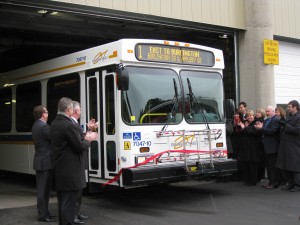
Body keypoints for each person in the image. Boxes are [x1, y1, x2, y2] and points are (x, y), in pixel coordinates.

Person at [50, 97, 97, 225]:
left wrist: (87, 133)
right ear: (70, 109)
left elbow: (72, 142)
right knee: (69, 206)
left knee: (63, 204)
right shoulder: (68, 125)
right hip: (71, 173)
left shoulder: (54, 123)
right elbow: (80, 147)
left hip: (61, 171)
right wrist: (89, 138)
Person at [31, 105, 56, 222]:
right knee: (43, 190)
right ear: (42, 114)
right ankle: (42, 215)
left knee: (44, 190)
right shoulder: (43, 126)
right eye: (46, 112)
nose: (48, 113)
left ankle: (45, 212)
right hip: (44, 162)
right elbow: (54, 137)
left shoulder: (36, 125)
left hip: (41, 161)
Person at [70, 101, 91, 224]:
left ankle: (76, 213)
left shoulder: (74, 123)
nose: (81, 111)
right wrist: (89, 138)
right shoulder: (71, 124)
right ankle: (73, 215)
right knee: (76, 190)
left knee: (79, 189)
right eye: (80, 110)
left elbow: (79, 139)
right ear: (76, 111)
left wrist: (88, 130)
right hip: (76, 161)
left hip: (79, 161)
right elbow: (79, 144)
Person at [276, 100, 300, 192]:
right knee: (287, 166)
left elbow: (298, 130)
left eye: (289, 107)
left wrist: (286, 126)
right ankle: (290, 183)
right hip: (286, 145)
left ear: (295, 107)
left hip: (294, 146)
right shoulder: (290, 117)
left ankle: (297, 185)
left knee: (295, 166)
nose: (288, 108)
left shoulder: (299, 117)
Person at [255, 105, 281, 189]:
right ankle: (270, 182)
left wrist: (261, 128)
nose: (266, 113)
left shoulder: (276, 120)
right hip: (266, 147)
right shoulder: (266, 120)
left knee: (273, 167)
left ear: (273, 111)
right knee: (269, 167)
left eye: (268, 111)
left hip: (273, 147)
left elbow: (272, 131)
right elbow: (264, 130)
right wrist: (260, 127)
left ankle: (274, 183)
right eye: (266, 111)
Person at [239, 110, 262, 185]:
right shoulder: (246, 124)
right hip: (246, 148)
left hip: (253, 148)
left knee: (253, 165)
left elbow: (253, 132)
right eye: (248, 116)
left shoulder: (256, 123)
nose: (249, 117)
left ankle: (253, 181)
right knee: (246, 164)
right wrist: (243, 128)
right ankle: (247, 180)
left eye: (251, 115)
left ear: (253, 116)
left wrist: (245, 128)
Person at [254, 108, 266, 183]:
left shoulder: (263, 121)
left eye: (259, 113)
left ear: (262, 114)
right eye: (256, 112)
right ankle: (257, 176)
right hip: (255, 143)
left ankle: (261, 177)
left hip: (261, 143)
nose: (257, 114)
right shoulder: (254, 121)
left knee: (261, 161)